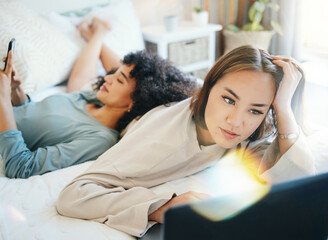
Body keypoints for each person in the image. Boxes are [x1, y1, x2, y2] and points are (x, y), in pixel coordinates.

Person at [56, 45, 315, 237]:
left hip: (175, 94)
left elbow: (300, 180)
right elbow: (73, 194)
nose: (237, 122)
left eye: (256, 110)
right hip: (150, 114)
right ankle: (96, 41)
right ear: (209, 88)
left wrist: (284, 108)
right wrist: (161, 207)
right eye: (228, 99)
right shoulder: (159, 141)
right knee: (83, 87)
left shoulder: (247, 129)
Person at [0, 18, 198, 178]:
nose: (107, 79)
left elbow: (21, 166)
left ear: (136, 102)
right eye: (113, 74)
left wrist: (0, 101)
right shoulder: (91, 97)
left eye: (119, 81)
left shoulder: (98, 139)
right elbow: (30, 119)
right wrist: (14, 92)